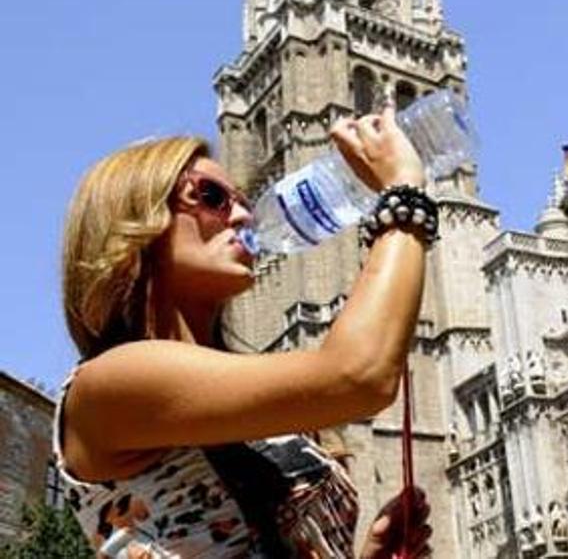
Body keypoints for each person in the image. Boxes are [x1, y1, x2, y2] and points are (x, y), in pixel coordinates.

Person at [55, 104, 434, 557]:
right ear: (137, 220)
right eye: (212, 196)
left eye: (244, 202)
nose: (243, 216)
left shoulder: (246, 392)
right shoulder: (109, 383)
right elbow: (359, 376)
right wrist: (404, 196)